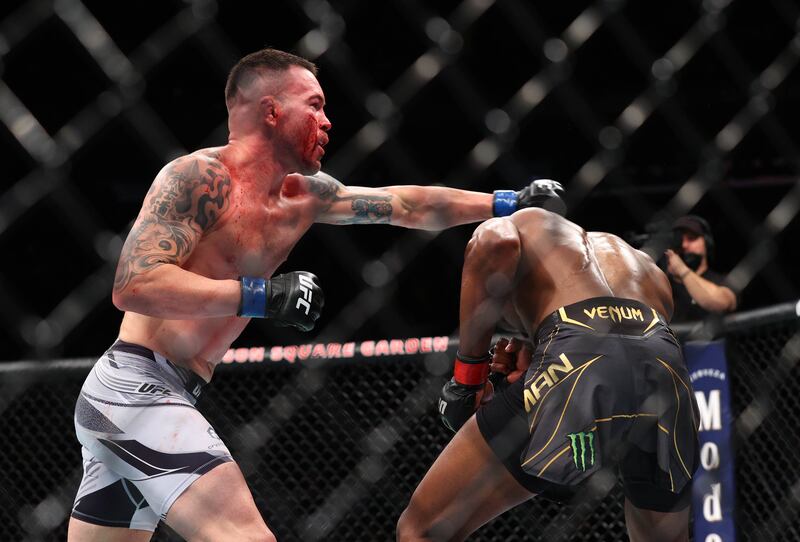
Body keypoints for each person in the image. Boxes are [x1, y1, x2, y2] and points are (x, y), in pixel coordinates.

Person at [67, 48, 564, 542]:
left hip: (163, 394)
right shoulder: (198, 178)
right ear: (271, 110)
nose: (328, 120)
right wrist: (261, 295)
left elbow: (405, 204)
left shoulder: (304, 195)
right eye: (316, 104)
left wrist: (507, 203)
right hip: (135, 385)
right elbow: (135, 285)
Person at [397, 207, 700, 542]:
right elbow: (623, 345)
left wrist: (467, 379)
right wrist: (541, 351)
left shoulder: (527, 222)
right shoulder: (638, 260)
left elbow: (493, 241)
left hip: (577, 353)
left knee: (421, 529)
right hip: (665, 363)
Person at [664, 215, 737, 322]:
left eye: (691, 238)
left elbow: (721, 303)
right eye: (680, 241)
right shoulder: (667, 284)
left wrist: (682, 270)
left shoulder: (722, 280)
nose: (684, 245)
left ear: (706, 243)